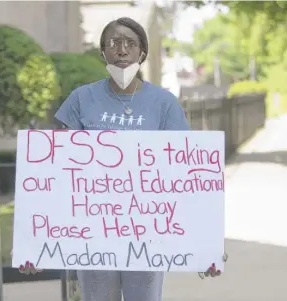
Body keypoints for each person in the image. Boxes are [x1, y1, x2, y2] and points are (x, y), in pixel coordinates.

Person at [14, 17, 224, 301]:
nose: (122, 50)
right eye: (114, 43)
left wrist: (206, 246)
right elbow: (55, 173)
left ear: (142, 52)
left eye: (131, 43)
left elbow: (186, 176)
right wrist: (33, 244)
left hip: (148, 236)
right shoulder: (81, 100)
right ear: (103, 52)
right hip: (93, 235)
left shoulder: (164, 104)